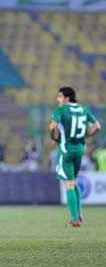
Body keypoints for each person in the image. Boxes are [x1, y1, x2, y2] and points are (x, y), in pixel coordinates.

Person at [49, 87, 101, 227]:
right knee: (74, 181)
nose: (58, 99)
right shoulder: (83, 109)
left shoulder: (62, 110)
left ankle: (75, 220)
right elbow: (97, 126)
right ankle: (78, 214)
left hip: (66, 150)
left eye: (60, 96)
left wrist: (54, 138)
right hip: (79, 149)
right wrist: (86, 135)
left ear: (67, 98)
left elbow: (52, 126)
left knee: (68, 184)